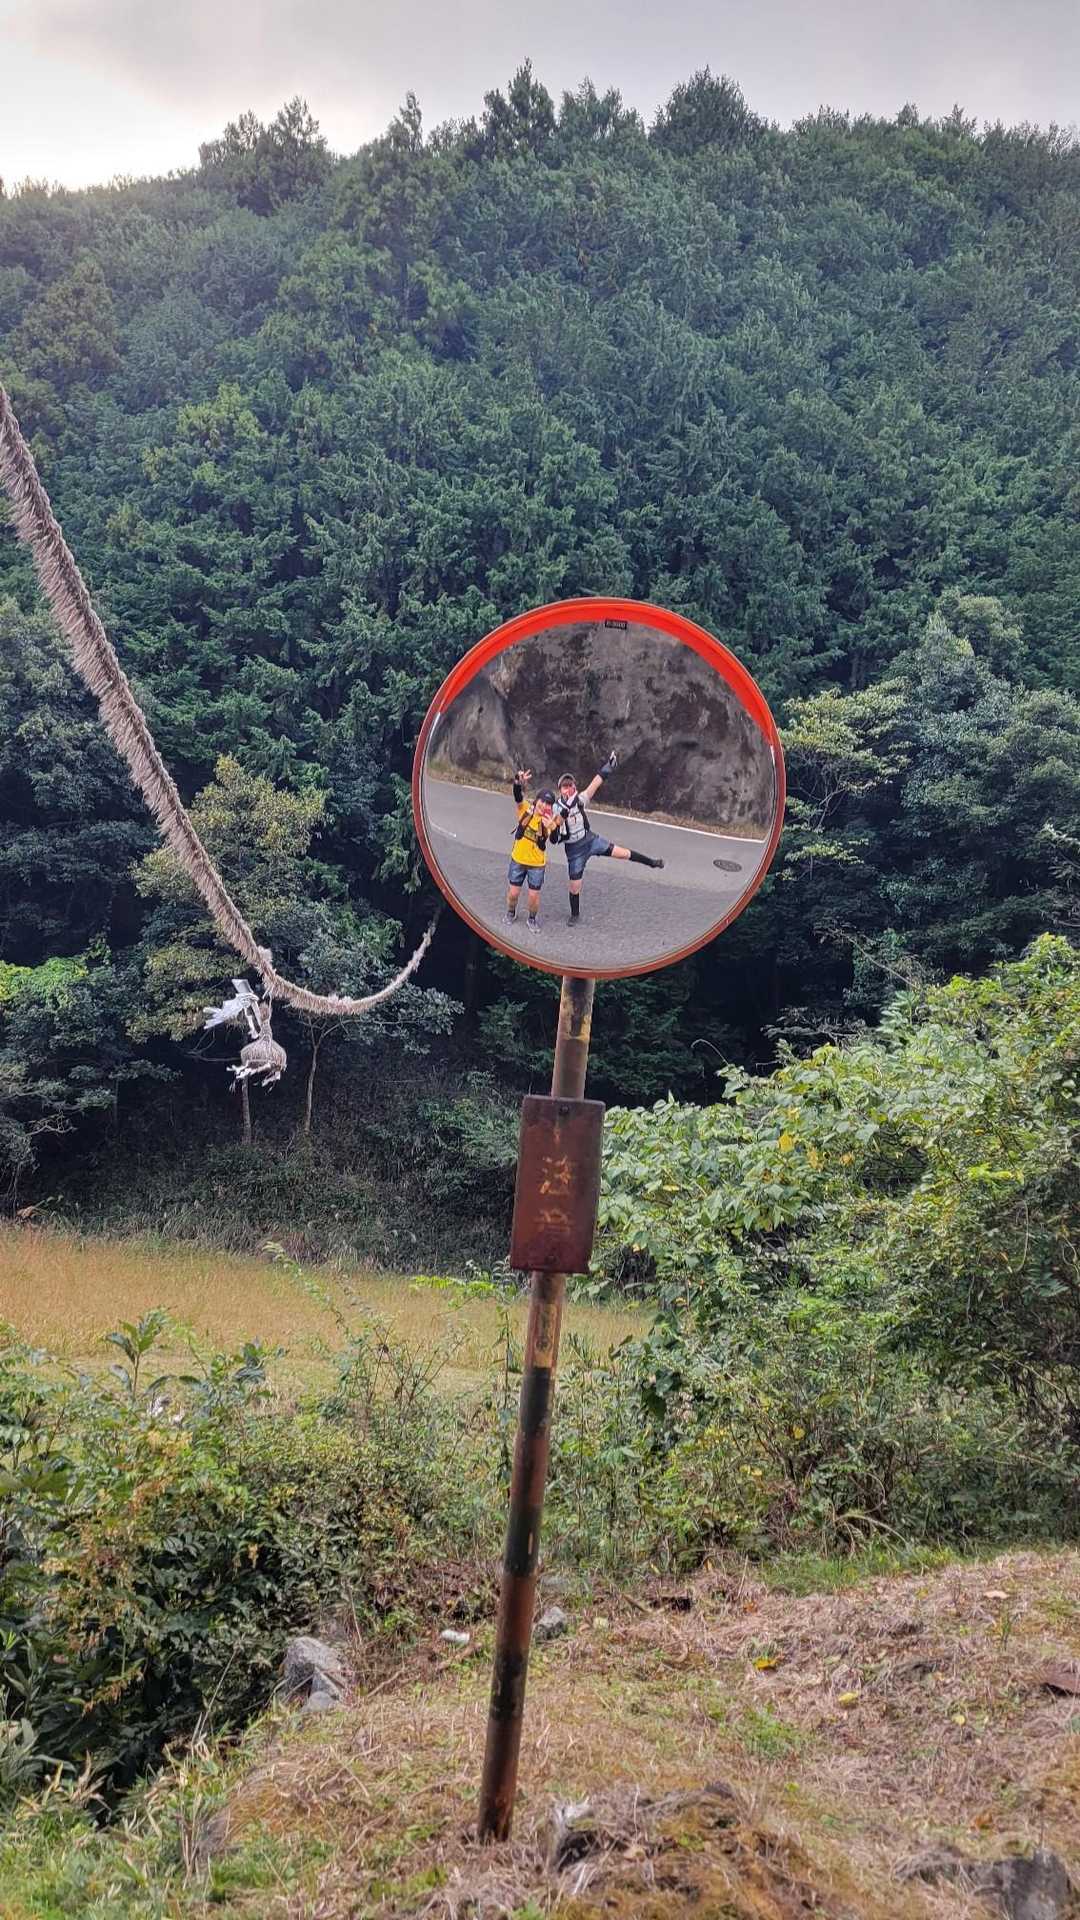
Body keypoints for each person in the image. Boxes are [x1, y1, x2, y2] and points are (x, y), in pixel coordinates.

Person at [555, 751, 664, 926]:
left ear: (574, 787)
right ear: (560, 790)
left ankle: (651, 862)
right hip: (574, 850)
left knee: (623, 853)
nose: (568, 789)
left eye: (570, 785)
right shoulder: (556, 807)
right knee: (575, 887)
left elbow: (596, 782)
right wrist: (563, 813)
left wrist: (609, 765)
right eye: (564, 786)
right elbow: (553, 827)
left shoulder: (581, 799)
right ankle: (575, 914)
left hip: (590, 841)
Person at [506, 768, 560, 934]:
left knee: (533, 896)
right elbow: (517, 796)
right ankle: (511, 912)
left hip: (537, 864)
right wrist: (518, 781)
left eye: (548, 804)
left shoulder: (548, 820)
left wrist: (554, 828)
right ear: (537, 801)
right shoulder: (526, 809)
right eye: (542, 801)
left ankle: (532, 918)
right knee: (513, 894)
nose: (544, 805)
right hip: (518, 859)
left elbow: (554, 840)